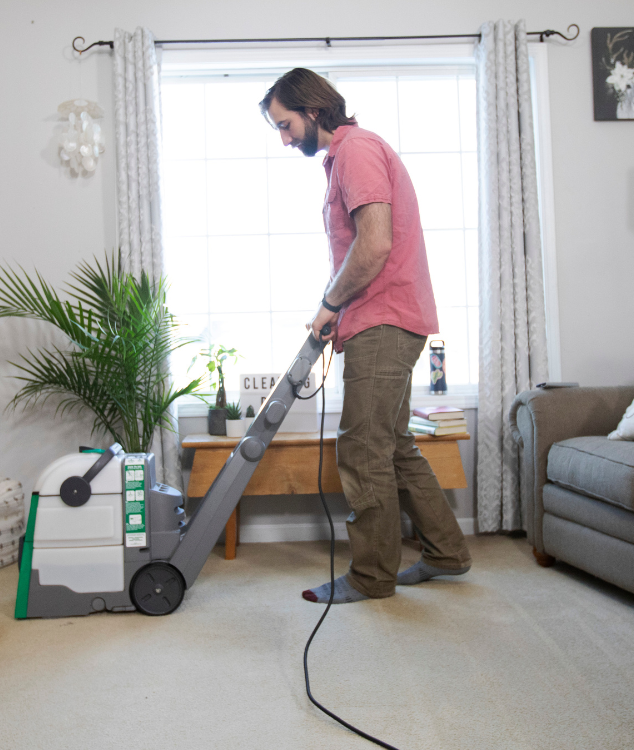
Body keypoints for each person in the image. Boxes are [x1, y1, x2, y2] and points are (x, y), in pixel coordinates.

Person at [260, 68, 472, 603]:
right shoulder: (345, 158)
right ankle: (447, 553)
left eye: (285, 126)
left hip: (385, 318)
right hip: (380, 317)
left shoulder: (355, 151)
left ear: (311, 110)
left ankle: (371, 576)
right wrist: (338, 313)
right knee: (395, 445)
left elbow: (375, 244)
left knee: (362, 449)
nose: (284, 140)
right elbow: (361, 249)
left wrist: (330, 304)